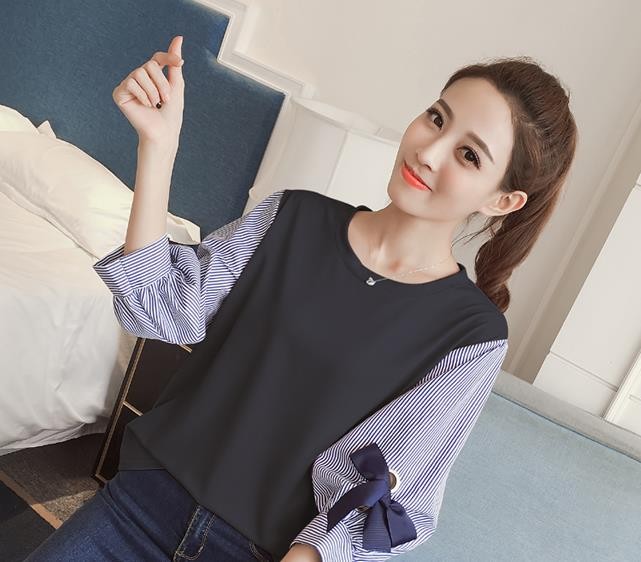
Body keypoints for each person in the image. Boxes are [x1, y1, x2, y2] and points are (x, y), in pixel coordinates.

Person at [26, 34, 577, 562]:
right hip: (140, 507)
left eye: (469, 155)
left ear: (503, 201)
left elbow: (389, 489)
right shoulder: (291, 216)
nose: (430, 152)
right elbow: (158, 310)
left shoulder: (472, 335)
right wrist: (158, 147)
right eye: (437, 118)